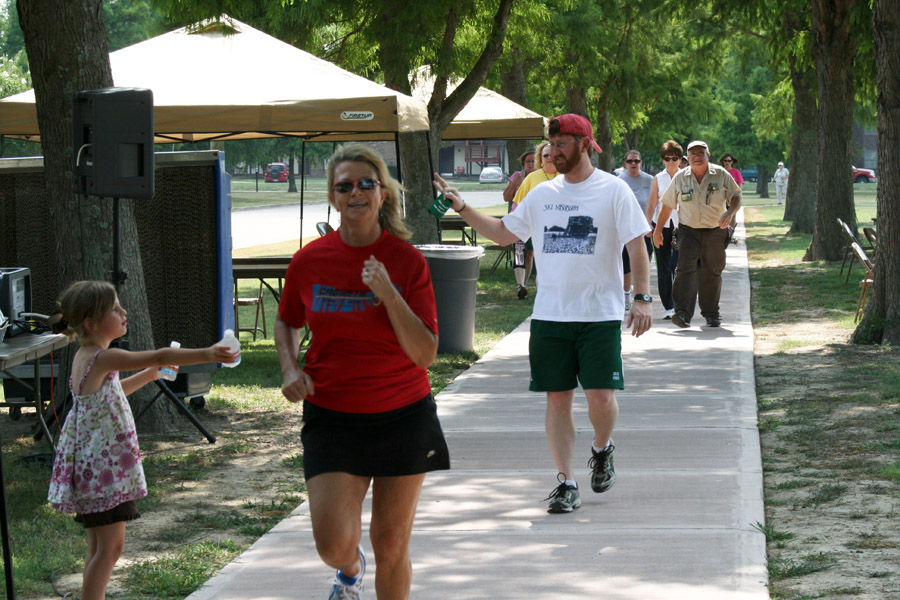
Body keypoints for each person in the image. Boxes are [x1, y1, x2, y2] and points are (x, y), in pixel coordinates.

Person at [433, 114, 653, 514]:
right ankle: (566, 482)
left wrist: (641, 297)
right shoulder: (541, 194)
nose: (553, 152)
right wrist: (462, 206)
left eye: (562, 144)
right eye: (551, 145)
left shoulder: (613, 190)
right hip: (551, 314)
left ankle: (602, 448)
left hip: (599, 311)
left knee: (601, 398)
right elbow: (505, 233)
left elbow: (637, 246)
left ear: (585, 145)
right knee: (557, 400)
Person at [275, 144, 449, 599]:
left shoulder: (407, 263)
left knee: (391, 542)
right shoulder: (309, 261)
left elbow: (426, 353)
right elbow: (287, 320)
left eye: (365, 184)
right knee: (333, 544)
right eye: (344, 186)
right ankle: (349, 572)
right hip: (333, 415)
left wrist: (389, 294)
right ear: (333, 198)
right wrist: (290, 367)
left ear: (383, 194)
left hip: (402, 414)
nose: (356, 192)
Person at [46, 280, 236, 600]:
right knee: (110, 549)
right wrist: (209, 353)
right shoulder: (103, 357)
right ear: (92, 323)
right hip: (104, 473)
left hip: (95, 470)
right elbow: (161, 352)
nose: (124, 312)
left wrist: (150, 374)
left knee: (99, 548)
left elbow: (109, 396)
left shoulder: (90, 356)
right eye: (115, 309)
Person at [653, 140, 741, 329]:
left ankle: (711, 314)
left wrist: (729, 212)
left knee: (712, 271)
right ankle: (682, 313)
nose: (697, 157)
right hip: (688, 231)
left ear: (708, 155)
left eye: (701, 153)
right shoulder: (680, 177)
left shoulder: (720, 174)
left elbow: (736, 197)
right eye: (692, 154)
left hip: (715, 230)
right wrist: (658, 231)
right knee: (684, 270)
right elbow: (668, 205)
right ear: (688, 157)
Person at [510, 141, 559, 299]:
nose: (549, 158)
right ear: (541, 158)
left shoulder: (566, 176)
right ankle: (520, 285)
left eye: (552, 155)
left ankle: (543, 295)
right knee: (519, 251)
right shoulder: (531, 178)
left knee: (534, 257)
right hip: (527, 225)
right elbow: (517, 204)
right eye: (546, 155)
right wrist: (515, 224)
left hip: (553, 230)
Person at [645, 140, 684, 319]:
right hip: (661, 226)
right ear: (663, 160)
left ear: (680, 159)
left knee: (678, 266)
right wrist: (648, 225)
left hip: (681, 226)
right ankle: (669, 307)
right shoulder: (658, 178)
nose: (671, 162)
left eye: (674, 158)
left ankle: (680, 303)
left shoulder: (686, 177)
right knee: (663, 267)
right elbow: (652, 203)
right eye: (667, 158)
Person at [618, 150, 655, 310]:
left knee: (643, 261)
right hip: (624, 228)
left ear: (640, 162)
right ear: (625, 163)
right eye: (630, 161)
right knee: (626, 264)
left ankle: (641, 293)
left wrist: (652, 223)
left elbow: (655, 203)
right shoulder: (619, 181)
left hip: (644, 229)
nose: (633, 164)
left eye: (636, 161)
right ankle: (626, 294)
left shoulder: (650, 180)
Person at [503, 148, 538, 299]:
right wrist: (516, 184)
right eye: (528, 161)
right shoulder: (517, 176)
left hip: (536, 220)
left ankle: (524, 284)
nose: (531, 164)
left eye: (533, 161)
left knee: (530, 254)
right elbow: (506, 197)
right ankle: (520, 285)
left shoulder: (542, 177)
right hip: (518, 219)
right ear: (523, 163)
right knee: (519, 251)